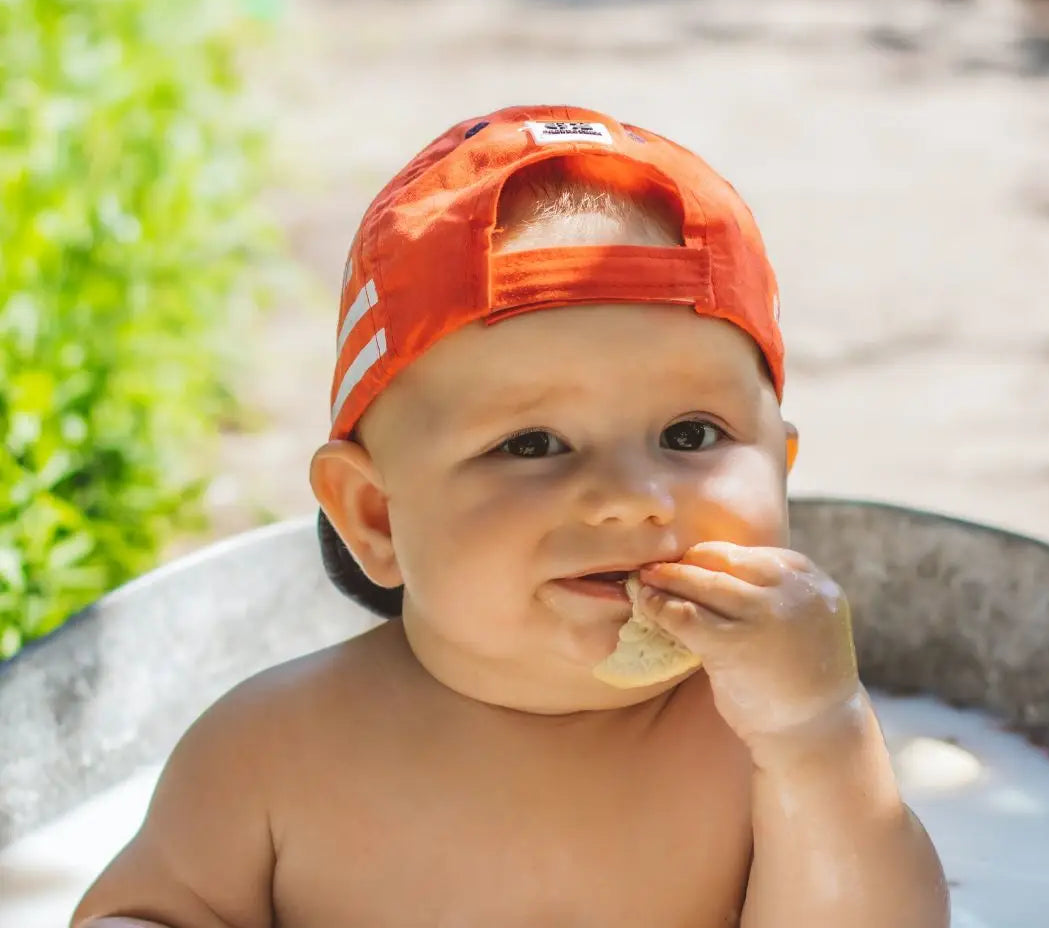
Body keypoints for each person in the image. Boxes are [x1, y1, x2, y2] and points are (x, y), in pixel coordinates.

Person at [73, 105, 949, 928]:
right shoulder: (270, 752)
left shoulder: (763, 751)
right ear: (375, 516)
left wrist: (819, 736)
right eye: (532, 444)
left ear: (781, 471)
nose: (630, 497)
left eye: (691, 433)